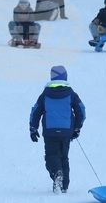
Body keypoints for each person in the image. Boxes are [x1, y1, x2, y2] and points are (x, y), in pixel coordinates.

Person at [29, 65, 86, 193]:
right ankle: (64, 186)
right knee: (64, 156)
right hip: (66, 131)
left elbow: (36, 111)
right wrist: (77, 128)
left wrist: (33, 128)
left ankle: (56, 173)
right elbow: (81, 110)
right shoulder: (71, 94)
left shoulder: (45, 94)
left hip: (50, 131)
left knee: (52, 155)